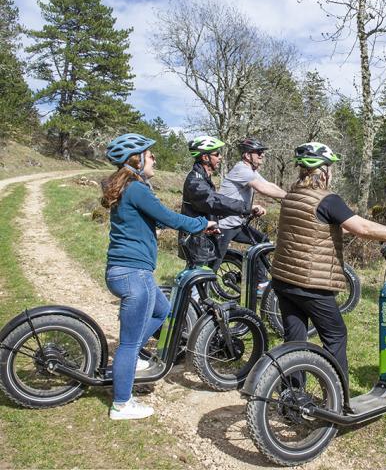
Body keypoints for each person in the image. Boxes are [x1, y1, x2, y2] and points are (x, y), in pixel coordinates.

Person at [270, 142, 386, 381]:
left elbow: (309, 229)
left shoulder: (292, 195)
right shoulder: (327, 199)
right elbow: (363, 227)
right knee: (335, 335)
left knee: (294, 339)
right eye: (330, 168)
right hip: (311, 283)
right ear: (323, 171)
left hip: (283, 279)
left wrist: (339, 230)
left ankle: (291, 399)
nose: (331, 173)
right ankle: (337, 401)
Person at [102, 133, 218, 420]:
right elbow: (171, 218)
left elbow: (148, 220)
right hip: (134, 273)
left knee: (163, 310)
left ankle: (130, 364)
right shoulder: (136, 189)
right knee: (128, 343)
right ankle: (121, 403)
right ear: (136, 159)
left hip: (127, 271)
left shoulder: (127, 187)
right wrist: (203, 224)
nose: (154, 158)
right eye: (150, 155)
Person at [214, 137, 287, 291]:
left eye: (262, 152)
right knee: (214, 261)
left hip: (237, 224)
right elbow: (262, 188)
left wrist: (290, 195)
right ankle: (199, 292)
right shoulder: (242, 169)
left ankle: (260, 282)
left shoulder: (250, 171)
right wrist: (289, 197)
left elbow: (268, 184)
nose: (262, 155)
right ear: (247, 155)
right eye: (258, 152)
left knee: (262, 241)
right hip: (224, 225)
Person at [180, 135, 259, 265]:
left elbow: (210, 207)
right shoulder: (195, 181)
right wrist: (246, 208)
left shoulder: (203, 178)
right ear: (205, 158)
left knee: (203, 279)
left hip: (203, 236)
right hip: (196, 240)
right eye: (217, 154)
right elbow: (214, 201)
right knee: (198, 279)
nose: (220, 157)